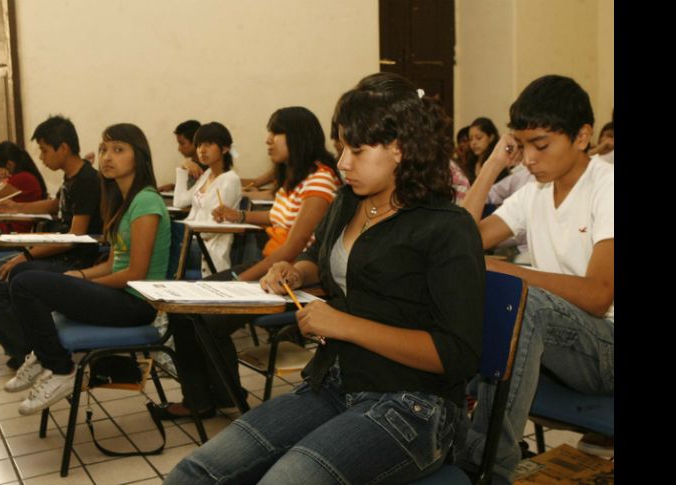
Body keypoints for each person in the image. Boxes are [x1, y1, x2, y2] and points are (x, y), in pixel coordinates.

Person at [165, 71, 485, 485]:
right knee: (192, 474)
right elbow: (323, 256)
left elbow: (456, 354)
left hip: (413, 404)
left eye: (357, 149)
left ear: (401, 148)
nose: (342, 162)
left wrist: (345, 326)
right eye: (340, 147)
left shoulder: (445, 227)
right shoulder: (350, 201)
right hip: (335, 381)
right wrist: (296, 271)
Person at [458, 75, 614, 483]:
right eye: (522, 145)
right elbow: (462, 242)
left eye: (540, 145)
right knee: (468, 281)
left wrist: (509, 271)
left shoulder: (607, 187)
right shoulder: (535, 192)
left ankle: (486, 467)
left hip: (608, 346)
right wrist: (493, 163)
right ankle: (446, 439)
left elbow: (599, 296)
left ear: (582, 137)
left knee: (521, 299)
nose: (528, 158)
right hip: (562, 342)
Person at [162, 106, 342, 419]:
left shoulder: (320, 181)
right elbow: (277, 218)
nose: (268, 140)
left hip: (295, 276)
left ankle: (226, 395)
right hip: (271, 265)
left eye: (276, 133)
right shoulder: (294, 179)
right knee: (184, 309)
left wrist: (240, 280)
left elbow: (294, 247)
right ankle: (203, 399)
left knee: (207, 316)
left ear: (298, 137)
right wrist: (241, 216)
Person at [5, 123, 170, 415]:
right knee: (21, 274)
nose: (107, 157)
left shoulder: (146, 200)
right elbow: (111, 263)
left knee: (25, 284)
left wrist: (86, 286)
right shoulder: (121, 201)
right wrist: (78, 277)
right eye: (104, 149)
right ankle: (44, 357)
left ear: (139, 157)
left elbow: (135, 274)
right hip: (119, 294)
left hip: (137, 304)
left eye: (119, 150)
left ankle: (59, 368)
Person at [0, 115, 103, 370]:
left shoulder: (87, 181)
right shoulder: (71, 177)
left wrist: (26, 255)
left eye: (43, 150)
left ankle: (34, 354)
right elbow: (56, 206)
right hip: (55, 251)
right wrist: (18, 207)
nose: (40, 157)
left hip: (73, 258)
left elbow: (74, 238)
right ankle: (25, 351)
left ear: (62, 148)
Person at [173, 122, 242, 275]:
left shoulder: (230, 180)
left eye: (208, 144)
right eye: (198, 145)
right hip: (192, 241)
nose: (202, 150)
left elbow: (209, 231)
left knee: (159, 242)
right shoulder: (206, 175)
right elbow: (179, 202)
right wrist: (183, 169)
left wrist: (182, 232)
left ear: (224, 148)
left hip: (208, 249)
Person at [0, 141, 48, 261]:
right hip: (1, 230)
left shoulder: (22, 178)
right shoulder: (17, 179)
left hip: (8, 233)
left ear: (9, 164)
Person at [158, 120, 206, 192]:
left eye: (182, 143)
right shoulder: (191, 164)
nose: (179, 149)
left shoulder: (209, 167)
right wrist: (173, 187)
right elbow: (190, 189)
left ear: (195, 142)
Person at [465, 117, 510, 184]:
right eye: (471, 139)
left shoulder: (498, 162)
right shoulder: (471, 162)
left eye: (478, 138)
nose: (473, 143)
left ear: (491, 138)